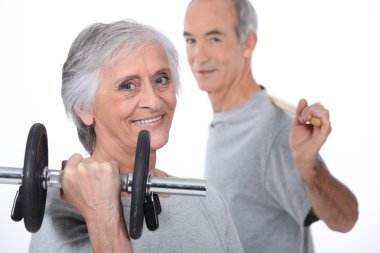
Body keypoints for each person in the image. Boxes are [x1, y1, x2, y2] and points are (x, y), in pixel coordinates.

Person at [28, 19, 244, 253]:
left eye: (161, 80)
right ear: (84, 107)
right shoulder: (58, 213)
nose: (153, 101)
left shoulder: (207, 201)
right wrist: (102, 213)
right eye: (128, 86)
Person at [183, 0, 359, 252]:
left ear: (248, 43)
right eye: (191, 40)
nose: (198, 56)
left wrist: (309, 167)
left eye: (214, 39)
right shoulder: (228, 119)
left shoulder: (272, 130)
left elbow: (346, 219)